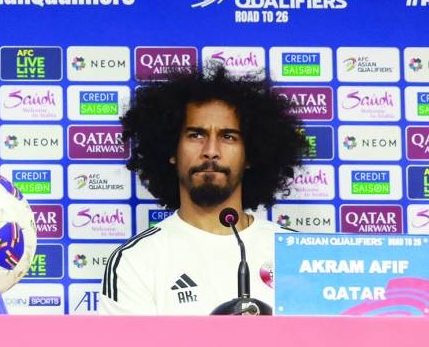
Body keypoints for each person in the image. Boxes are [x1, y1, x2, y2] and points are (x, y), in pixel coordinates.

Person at [98, 64, 307, 315]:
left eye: (228, 137)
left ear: (250, 155)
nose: (211, 151)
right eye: (196, 135)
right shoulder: (137, 259)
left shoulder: (297, 253)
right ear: (171, 150)